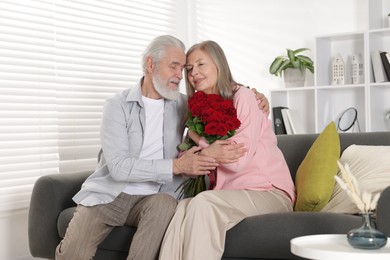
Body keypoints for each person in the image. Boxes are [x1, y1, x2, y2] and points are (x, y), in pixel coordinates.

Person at [55, 35, 269, 260]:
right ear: (150, 64)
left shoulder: (186, 104)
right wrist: (176, 166)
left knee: (164, 206)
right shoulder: (116, 106)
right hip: (111, 194)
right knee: (73, 254)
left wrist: (257, 96)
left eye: (182, 68)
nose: (181, 75)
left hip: (157, 197)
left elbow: (224, 94)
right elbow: (118, 167)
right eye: (174, 66)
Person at [158, 40, 296, 260]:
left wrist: (200, 140)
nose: (195, 73)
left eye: (201, 64)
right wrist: (202, 152)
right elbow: (187, 161)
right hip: (229, 195)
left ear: (219, 64)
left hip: (269, 192)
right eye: (190, 69)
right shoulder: (197, 109)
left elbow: (236, 161)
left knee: (203, 203)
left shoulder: (245, 97)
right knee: (183, 207)